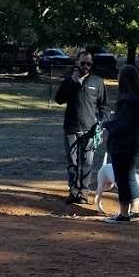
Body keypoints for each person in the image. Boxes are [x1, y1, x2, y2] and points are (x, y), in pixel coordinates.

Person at [54, 50, 108, 203]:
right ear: (76, 63)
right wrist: (72, 82)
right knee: (72, 162)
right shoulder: (68, 80)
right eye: (83, 63)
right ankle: (73, 191)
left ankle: (83, 193)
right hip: (71, 127)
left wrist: (101, 122)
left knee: (87, 162)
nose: (86, 66)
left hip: (89, 130)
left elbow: (104, 105)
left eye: (89, 63)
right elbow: (59, 99)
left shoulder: (97, 81)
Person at [103, 65, 139, 223]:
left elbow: (122, 124)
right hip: (134, 144)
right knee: (129, 176)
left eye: (119, 76)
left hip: (122, 144)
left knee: (122, 178)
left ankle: (123, 214)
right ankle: (135, 211)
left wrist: (107, 125)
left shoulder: (127, 101)